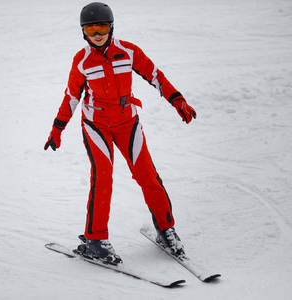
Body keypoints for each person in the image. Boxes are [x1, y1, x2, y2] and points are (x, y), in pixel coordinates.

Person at [44, 2, 196, 264]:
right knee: (103, 179)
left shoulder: (128, 51)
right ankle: (95, 240)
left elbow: (155, 75)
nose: (97, 34)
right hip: (96, 126)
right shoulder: (81, 61)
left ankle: (165, 229)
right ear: (83, 33)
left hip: (128, 123)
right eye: (91, 30)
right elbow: (71, 97)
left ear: (111, 27)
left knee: (147, 175)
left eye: (102, 27)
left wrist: (177, 99)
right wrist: (57, 129)